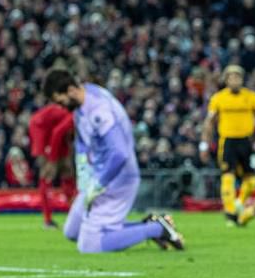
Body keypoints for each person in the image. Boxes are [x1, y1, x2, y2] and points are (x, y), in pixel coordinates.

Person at [43, 68, 184, 253]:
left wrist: (99, 184)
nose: (61, 107)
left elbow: (119, 154)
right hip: (98, 174)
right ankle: (153, 225)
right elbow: (83, 140)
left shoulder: (99, 110)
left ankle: (158, 229)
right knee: (72, 231)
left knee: (89, 245)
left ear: (70, 90)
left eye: (60, 101)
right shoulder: (83, 98)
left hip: (117, 178)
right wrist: (84, 172)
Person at [200, 65, 255, 224]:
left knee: (252, 180)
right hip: (227, 141)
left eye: (237, 77)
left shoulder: (251, 97)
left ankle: (239, 203)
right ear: (226, 80)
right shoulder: (218, 98)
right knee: (227, 175)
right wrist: (204, 144)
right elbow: (209, 123)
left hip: (246, 141)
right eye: (231, 77)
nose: (235, 80)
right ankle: (230, 211)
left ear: (242, 79)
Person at [28, 103, 73, 229]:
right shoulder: (72, 117)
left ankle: (73, 215)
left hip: (54, 132)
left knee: (67, 171)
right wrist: (52, 160)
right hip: (41, 130)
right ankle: (47, 220)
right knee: (48, 173)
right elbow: (57, 133)